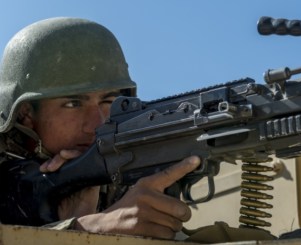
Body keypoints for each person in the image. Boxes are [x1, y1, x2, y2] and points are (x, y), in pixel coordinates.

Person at [0, 17, 201, 240]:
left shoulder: (125, 179)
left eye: (108, 101)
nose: (97, 122)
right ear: (26, 113)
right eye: (73, 103)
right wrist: (84, 230)